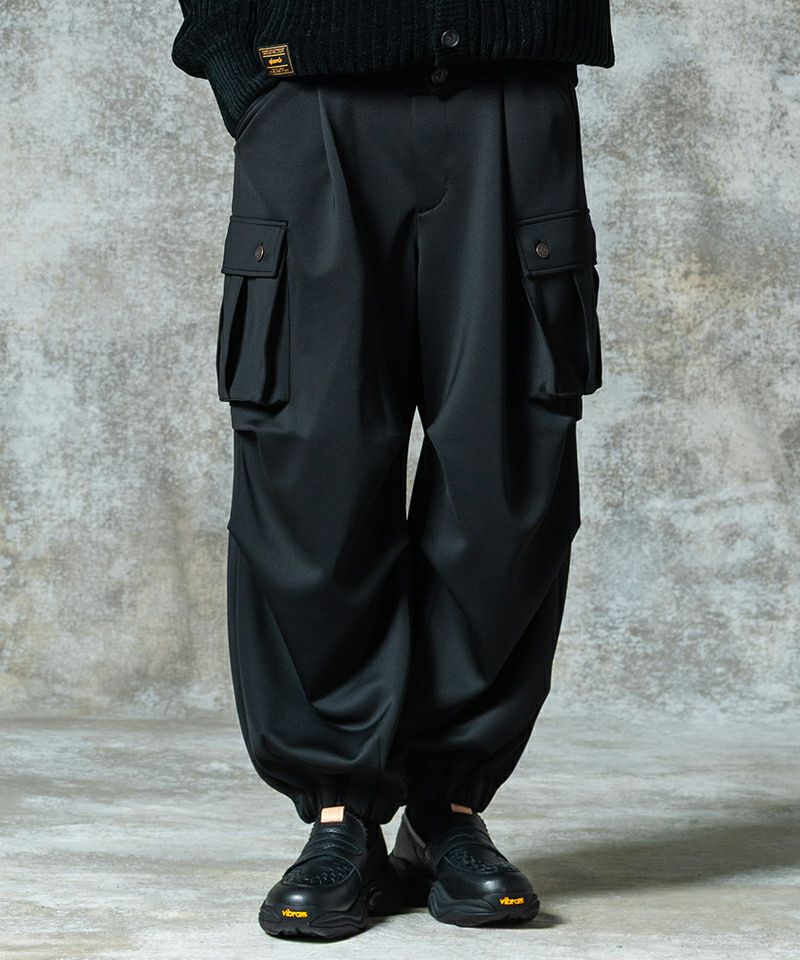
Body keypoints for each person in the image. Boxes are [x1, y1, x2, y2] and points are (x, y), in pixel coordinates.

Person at [172, 0, 614, 941]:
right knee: (312, 475)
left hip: (511, 91)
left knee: (507, 478)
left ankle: (447, 807)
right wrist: (237, 69)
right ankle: (340, 813)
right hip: (310, 99)